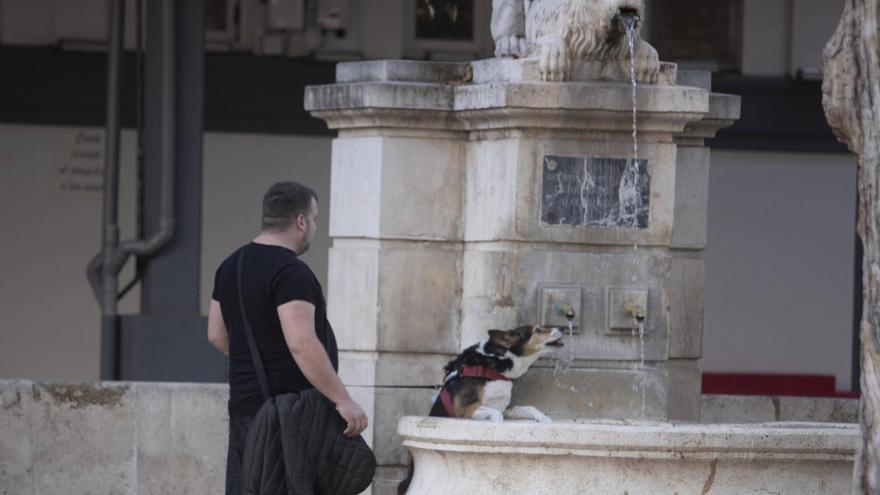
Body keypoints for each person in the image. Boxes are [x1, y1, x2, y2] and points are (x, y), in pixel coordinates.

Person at [207, 181, 368, 495]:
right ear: (301, 221)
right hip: (289, 417)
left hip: (245, 408)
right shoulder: (291, 273)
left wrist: (257, 366)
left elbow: (216, 334)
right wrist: (343, 400)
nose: (314, 227)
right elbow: (301, 343)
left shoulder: (230, 266)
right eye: (315, 219)